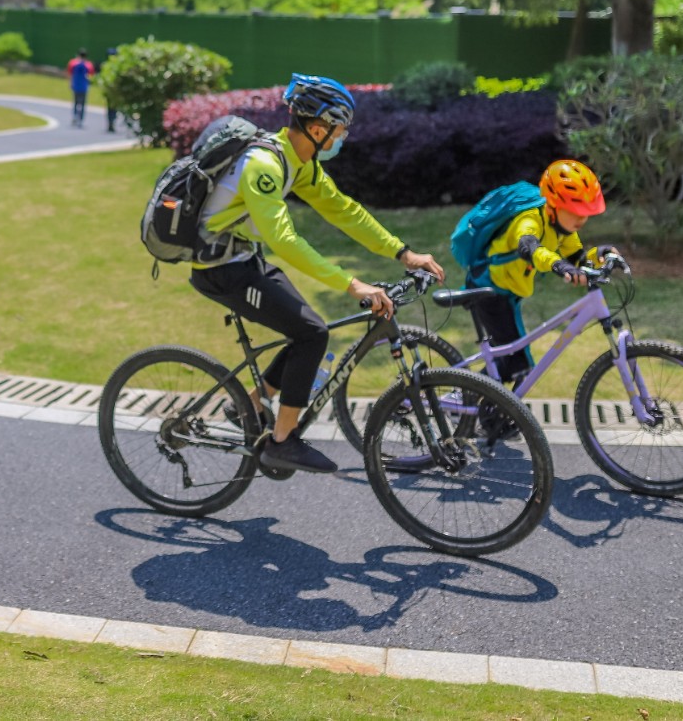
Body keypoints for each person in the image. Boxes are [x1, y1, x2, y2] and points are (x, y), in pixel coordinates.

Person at [190, 74, 445, 474]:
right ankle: (282, 442)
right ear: (317, 128)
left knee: (306, 329)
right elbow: (284, 239)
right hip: (218, 269)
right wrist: (352, 282)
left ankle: (251, 403)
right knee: (313, 332)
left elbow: (344, 211)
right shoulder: (265, 165)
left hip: (241, 258)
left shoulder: (299, 162)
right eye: (340, 130)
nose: (342, 138)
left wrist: (402, 252)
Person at [469, 160, 614, 388]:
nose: (581, 219)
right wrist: (558, 264)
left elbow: (578, 256)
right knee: (516, 363)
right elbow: (529, 247)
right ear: (553, 205)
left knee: (516, 360)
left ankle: (498, 411)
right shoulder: (529, 220)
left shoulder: (562, 227)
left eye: (585, 213)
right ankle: (467, 396)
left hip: (508, 290)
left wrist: (600, 255)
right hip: (488, 289)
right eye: (575, 211)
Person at [66, 48, 94, 127]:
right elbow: (91, 75)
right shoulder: (88, 65)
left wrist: (70, 83)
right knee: (82, 104)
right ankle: (80, 119)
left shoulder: (73, 63)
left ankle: (75, 116)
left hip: (76, 85)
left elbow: (70, 73)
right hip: (84, 86)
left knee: (75, 102)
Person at [103, 46, 120, 132]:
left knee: (112, 108)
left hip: (114, 91)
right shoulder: (108, 66)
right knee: (111, 108)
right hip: (111, 91)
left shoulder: (116, 66)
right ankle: (111, 122)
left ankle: (111, 122)